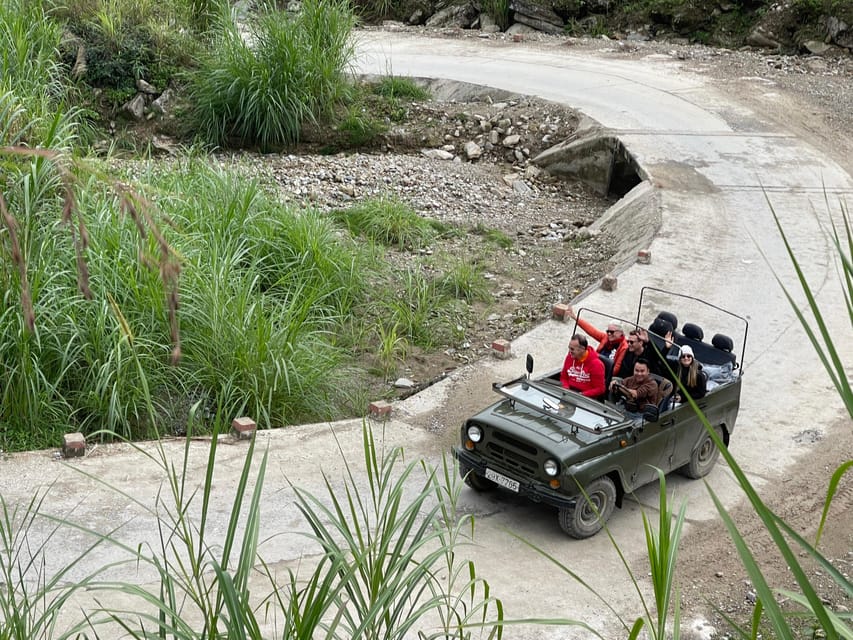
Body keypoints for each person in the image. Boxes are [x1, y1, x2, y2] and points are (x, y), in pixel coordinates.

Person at [567, 306, 629, 375]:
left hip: (604, 373)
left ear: (620, 333)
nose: (609, 334)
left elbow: (615, 370)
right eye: (607, 331)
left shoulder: (624, 347)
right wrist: (576, 318)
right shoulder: (605, 338)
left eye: (612, 332)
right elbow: (591, 331)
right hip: (593, 366)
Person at [560, 334, 606, 398]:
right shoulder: (569, 358)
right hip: (569, 392)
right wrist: (566, 388)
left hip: (585, 396)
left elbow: (600, 389)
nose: (570, 351)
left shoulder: (597, 365)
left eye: (572, 349)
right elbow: (564, 377)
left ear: (582, 349)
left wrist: (581, 395)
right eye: (569, 348)